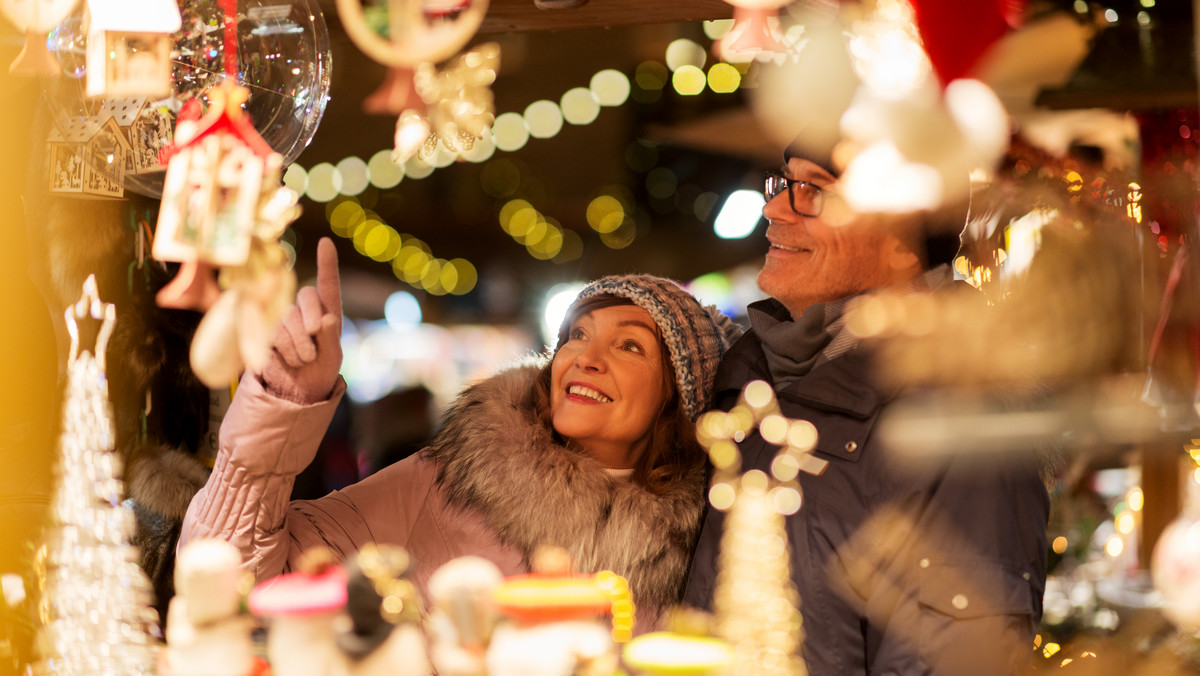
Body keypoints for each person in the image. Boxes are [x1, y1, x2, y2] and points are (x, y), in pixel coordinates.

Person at [179, 238, 739, 627]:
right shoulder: (448, 482)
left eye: (629, 345)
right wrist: (282, 406)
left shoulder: (705, 544)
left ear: (679, 397)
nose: (585, 358)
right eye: (577, 334)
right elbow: (231, 578)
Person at [681, 147, 1049, 675]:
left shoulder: (964, 417)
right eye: (784, 183)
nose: (775, 210)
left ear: (904, 235)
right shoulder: (745, 378)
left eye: (815, 191)